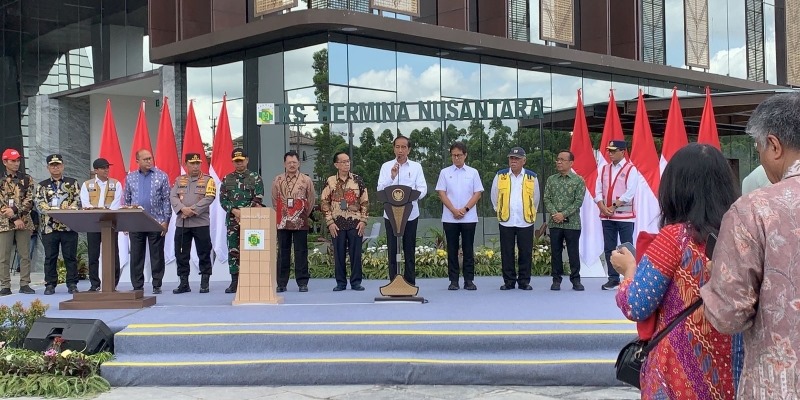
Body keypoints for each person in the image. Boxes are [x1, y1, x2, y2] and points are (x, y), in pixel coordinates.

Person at [610, 143, 742, 399]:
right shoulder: (740, 234)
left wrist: (628, 271)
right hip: (731, 367)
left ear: (676, 188)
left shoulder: (675, 238)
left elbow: (636, 304)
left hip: (676, 372)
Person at [701, 92, 800, 399]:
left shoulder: (754, 210)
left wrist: (720, 276)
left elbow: (728, 315)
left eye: (758, 147)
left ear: (774, 145)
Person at [377, 136, 427, 285]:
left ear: (409, 149)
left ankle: (410, 283)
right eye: (397, 147)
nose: (400, 150)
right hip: (391, 215)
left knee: (409, 249)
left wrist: (408, 199)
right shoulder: (386, 167)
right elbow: (380, 189)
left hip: (410, 214)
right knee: (393, 249)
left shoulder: (416, 167)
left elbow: (422, 189)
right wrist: (392, 177)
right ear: (393, 148)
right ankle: (393, 282)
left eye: (403, 147)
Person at [490, 147, 540, 291]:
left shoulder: (532, 177)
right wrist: (498, 210)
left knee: (525, 252)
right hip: (506, 220)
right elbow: (494, 196)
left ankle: (524, 281)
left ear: (524, 160)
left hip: (525, 220)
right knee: (507, 252)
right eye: (511, 158)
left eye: (517, 159)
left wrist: (530, 212)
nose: (513, 161)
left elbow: (535, 198)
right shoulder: (500, 175)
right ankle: (509, 281)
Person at [436, 142, 483, 291]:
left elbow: (478, 193)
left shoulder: (473, 172)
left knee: (468, 249)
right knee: (452, 249)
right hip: (450, 218)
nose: (456, 158)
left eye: (459, 155)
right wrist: (453, 210)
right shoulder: (444, 172)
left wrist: (465, 209)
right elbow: (441, 193)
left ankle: (469, 280)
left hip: (468, 218)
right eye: (454, 155)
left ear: (465, 155)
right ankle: (453, 280)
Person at [320, 151, 369, 292]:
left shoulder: (358, 180)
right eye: (343, 161)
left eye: (348, 161)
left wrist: (363, 220)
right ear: (336, 164)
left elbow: (365, 201)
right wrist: (330, 222)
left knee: (356, 253)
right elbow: (324, 202)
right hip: (337, 223)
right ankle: (341, 282)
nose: (347, 164)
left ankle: (356, 282)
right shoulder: (330, 181)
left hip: (355, 222)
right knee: (339, 253)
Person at [124, 149, 171, 294]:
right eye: (145, 159)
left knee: (156, 254)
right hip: (136, 222)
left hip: (156, 221)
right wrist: (126, 222)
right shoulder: (130, 178)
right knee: (137, 255)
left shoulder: (161, 176)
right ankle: (137, 285)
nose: (149, 161)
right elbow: (127, 200)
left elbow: (166, 200)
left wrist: (165, 221)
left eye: (150, 158)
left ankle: (157, 284)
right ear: (137, 161)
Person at [595, 140, 640, 290]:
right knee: (609, 247)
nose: (610, 153)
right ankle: (613, 279)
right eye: (609, 150)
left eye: (614, 151)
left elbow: (630, 192)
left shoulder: (631, 169)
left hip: (625, 216)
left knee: (626, 246)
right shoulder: (604, 168)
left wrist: (613, 206)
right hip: (607, 215)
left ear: (623, 151)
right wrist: (601, 205)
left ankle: (630, 278)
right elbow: (598, 190)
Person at [35, 154, 81, 295]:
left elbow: (78, 201)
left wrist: (68, 210)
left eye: (58, 164)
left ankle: (72, 283)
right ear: (48, 167)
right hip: (50, 227)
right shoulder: (41, 185)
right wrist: (52, 211)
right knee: (50, 257)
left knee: (70, 256)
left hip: (69, 226)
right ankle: (50, 284)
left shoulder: (72, 183)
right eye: (52, 165)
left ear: (63, 166)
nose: (55, 167)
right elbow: (38, 203)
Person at [170, 153, 216, 294]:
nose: (195, 166)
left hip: (200, 222)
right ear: (186, 165)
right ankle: (184, 283)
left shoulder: (208, 180)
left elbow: (210, 197)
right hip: (182, 223)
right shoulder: (179, 180)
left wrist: (192, 210)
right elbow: (173, 196)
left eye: (198, 163)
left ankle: (205, 282)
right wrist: (182, 209)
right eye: (192, 163)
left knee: (204, 252)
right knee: (181, 253)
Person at [220, 148, 264, 294]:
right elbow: (223, 199)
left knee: (252, 250)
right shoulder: (227, 179)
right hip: (233, 221)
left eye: (241, 161)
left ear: (247, 160)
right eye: (236, 161)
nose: (239, 164)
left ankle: (252, 280)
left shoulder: (255, 177)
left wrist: (245, 213)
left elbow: (258, 197)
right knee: (233, 251)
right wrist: (234, 211)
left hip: (251, 221)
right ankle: (235, 281)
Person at [271, 150, 315, 293]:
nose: (292, 165)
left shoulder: (306, 180)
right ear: (284, 164)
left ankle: (302, 282)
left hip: (300, 220)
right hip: (283, 220)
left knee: (301, 251)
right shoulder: (277, 180)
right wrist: (282, 214)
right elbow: (274, 200)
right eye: (289, 162)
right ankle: (281, 283)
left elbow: (311, 199)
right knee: (283, 251)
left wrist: (303, 214)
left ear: (299, 164)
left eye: (294, 162)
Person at [543, 150, 585, 291]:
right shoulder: (551, 179)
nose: (559, 162)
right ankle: (556, 280)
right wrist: (556, 214)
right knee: (555, 252)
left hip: (572, 223)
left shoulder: (578, 180)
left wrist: (564, 214)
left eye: (562, 160)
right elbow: (546, 199)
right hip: (555, 223)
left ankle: (576, 280)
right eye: (557, 159)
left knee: (573, 252)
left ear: (571, 163)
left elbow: (578, 201)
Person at [79, 158, 122, 291]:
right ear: (96, 170)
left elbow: (117, 202)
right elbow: (85, 203)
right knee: (93, 254)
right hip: (93, 222)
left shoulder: (116, 184)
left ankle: (113, 283)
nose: (106, 170)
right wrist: (97, 211)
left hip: (110, 222)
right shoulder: (87, 185)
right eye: (103, 168)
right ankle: (94, 283)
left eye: (107, 167)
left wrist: (106, 212)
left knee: (113, 253)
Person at [0, 148, 36, 295]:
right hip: (4, 221)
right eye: (12, 161)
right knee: (4, 255)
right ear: (5, 162)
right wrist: (13, 217)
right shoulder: (1, 179)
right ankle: (5, 285)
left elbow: (30, 199)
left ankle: (25, 283)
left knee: (25, 254)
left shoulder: (26, 178)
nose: (16, 163)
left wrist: (16, 212)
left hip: (24, 220)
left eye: (18, 160)